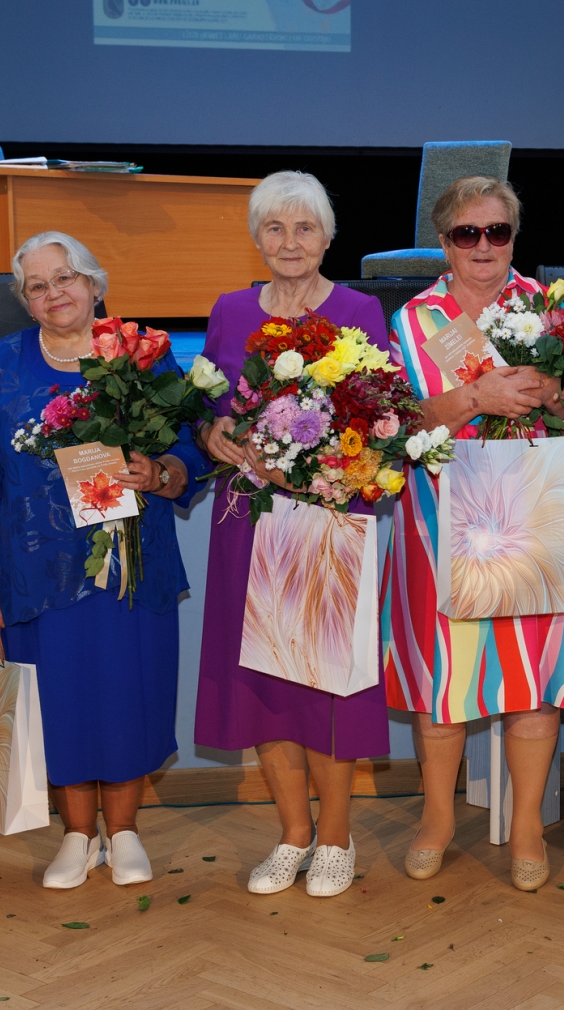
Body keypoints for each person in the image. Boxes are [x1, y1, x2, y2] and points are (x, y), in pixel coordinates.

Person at [0, 231, 209, 891]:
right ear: (25, 301)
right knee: (56, 702)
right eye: (37, 286)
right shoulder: (2, 362)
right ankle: (76, 835)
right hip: (35, 572)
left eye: (65, 278)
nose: (54, 294)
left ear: (95, 284)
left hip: (131, 566)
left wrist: (160, 471)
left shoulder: (141, 353)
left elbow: (193, 446)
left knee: (129, 694)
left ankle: (123, 832)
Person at [384, 175, 564, 892]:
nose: (483, 246)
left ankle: (528, 827)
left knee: (533, 681)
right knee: (444, 678)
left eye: (497, 231)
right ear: (444, 242)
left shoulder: (549, 310)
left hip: (530, 513)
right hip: (439, 520)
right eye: (466, 233)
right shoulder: (414, 320)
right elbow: (396, 422)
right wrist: (475, 395)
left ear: (514, 237)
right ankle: (437, 820)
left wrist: (559, 393)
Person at [193, 171, 391, 899]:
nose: (289, 242)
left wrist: (316, 469)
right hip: (246, 521)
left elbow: (381, 416)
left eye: (304, 227)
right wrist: (209, 433)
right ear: (256, 237)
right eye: (274, 228)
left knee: (324, 685)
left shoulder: (359, 310)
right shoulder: (229, 309)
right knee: (264, 685)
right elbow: (207, 405)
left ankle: (335, 836)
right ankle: (292, 834)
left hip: (325, 518)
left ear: (327, 237)